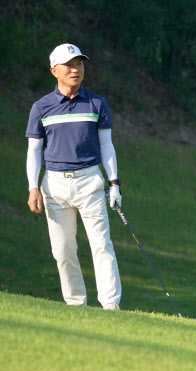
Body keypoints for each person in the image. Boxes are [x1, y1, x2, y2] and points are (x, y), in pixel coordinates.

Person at [25, 43, 123, 310]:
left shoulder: (96, 103)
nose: (75, 69)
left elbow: (106, 145)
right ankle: (75, 305)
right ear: (54, 70)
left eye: (79, 64)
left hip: (90, 181)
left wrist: (114, 183)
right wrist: (33, 187)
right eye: (69, 65)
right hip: (54, 185)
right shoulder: (41, 107)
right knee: (63, 251)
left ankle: (110, 306)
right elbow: (34, 150)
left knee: (101, 245)